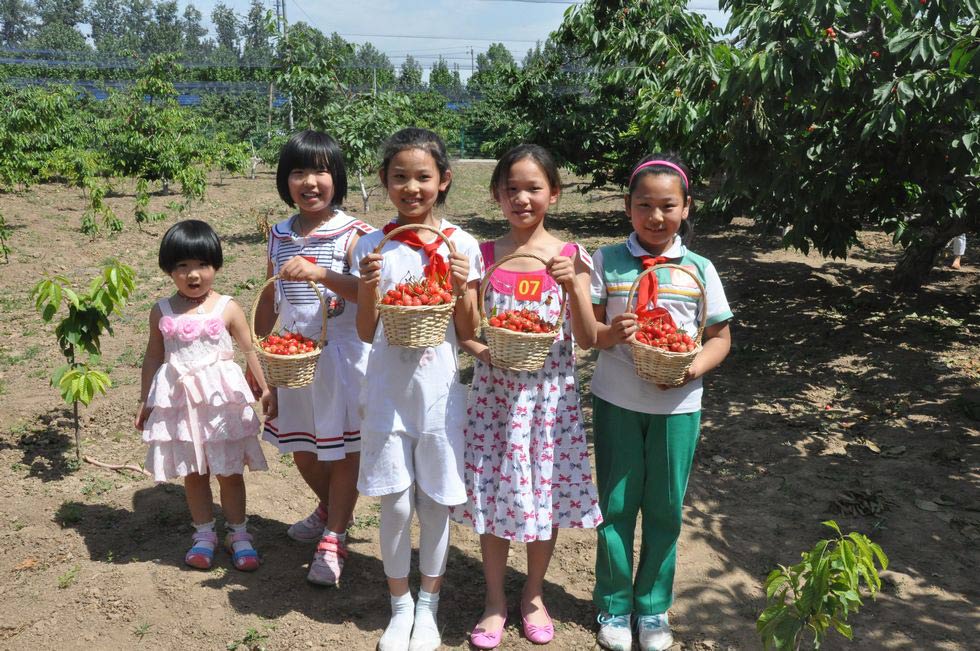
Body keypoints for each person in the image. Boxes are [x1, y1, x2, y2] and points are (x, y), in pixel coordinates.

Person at [451, 144, 602, 649]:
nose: (522, 198)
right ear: (497, 195)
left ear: (553, 194)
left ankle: (533, 594)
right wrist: (480, 347)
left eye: (533, 188)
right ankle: (495, 600)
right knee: (493, 499)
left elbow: (586, 338)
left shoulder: (570, 256)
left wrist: (576, 286)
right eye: (511, 188)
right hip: (496, 401)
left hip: (548, 403)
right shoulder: (485, 255)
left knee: (546, 495)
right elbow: (468, 331)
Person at [589, 155, 733, 651]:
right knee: (616, 504)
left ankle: (652, 607)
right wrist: (612, 332)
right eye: (643, 205)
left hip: (678, 408)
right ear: (627, 208)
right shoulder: (606, 261)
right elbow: (588, 334)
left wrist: (692, 367)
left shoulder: (699, 269)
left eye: (667, 206)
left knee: (666, 507)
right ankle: (614, 601)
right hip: (618, 402)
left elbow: (719, 336)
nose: (655, 216)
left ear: (686, 207)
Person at [351, 127, 482, 651]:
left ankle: (429, 605)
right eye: (400, 176)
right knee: (396, 503)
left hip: (438, 393)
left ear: (443, 180)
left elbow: (468, 330)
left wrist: (461, 284)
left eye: (423, 177)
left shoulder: (461, 244)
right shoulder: (372, 244)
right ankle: (399, 604)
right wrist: (365, 285)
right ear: (384, 181)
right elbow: (366, 331)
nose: (412, 187)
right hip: (386, 390)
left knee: (434, 502)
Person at [253, 130, 373, 586]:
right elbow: (270, 292)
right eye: (298, 172)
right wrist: (259, 349)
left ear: (336, 178)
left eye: (320, 170)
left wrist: (322, 273)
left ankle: (334, 536)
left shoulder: (355, 235)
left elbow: (370, 296)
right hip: (295, 357)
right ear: (286, 180)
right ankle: (329, 510)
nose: (309, 182)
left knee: (341, 451)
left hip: (343, 357)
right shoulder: (280, 234)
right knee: (303, 449)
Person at [136, 219, 273, 572]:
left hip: (219, 403)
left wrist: (265, 388)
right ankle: (204, 534)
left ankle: (239, 533)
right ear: (169, 270)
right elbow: (154, 355)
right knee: (193, 472)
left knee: (229, 471)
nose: (193, 274)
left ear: (216, 266)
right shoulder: (162, 311)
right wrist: (146, 400)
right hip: (181, 403)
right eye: (182, 266)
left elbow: (250, 349)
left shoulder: (226, 307)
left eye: (202, 265)